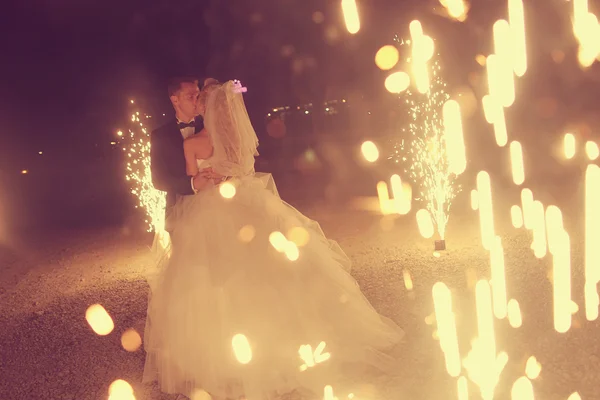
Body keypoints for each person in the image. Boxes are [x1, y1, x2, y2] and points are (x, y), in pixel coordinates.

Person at [143, 80, 404, 400]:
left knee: (219, 280)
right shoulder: (227, 135)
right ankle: (274, 343)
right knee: (256, 273)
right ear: (175, 99)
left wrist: (206, 181)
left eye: (199, 96)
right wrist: (207, 181)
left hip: (209, 212)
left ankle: (227, 359)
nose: (196, 99)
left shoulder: (194, 142)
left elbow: (204, 174)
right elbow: (185, 176)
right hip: (246, 204)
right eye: (190, 95)